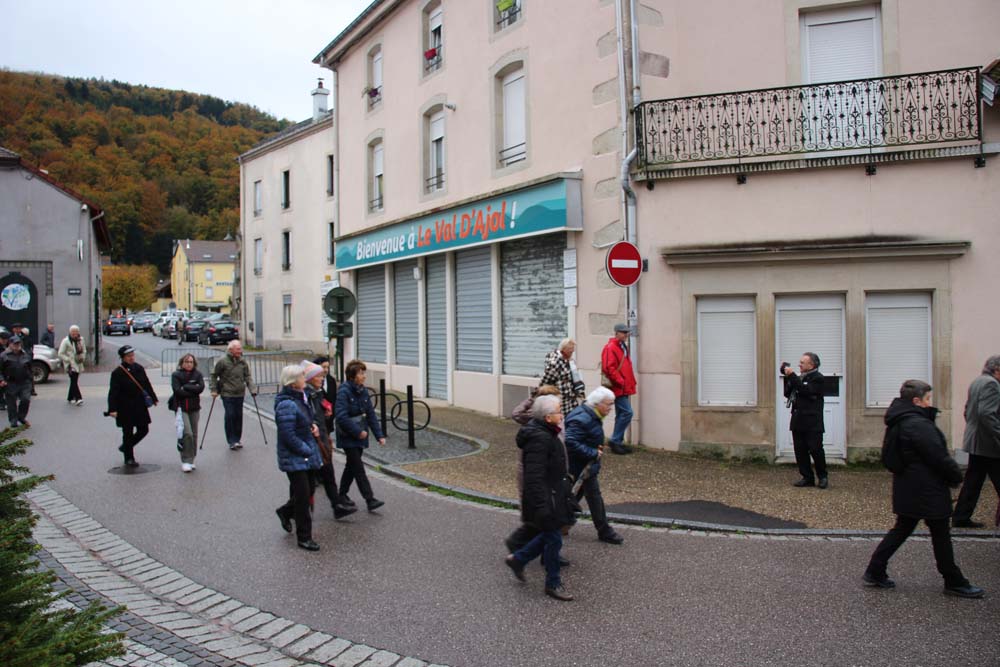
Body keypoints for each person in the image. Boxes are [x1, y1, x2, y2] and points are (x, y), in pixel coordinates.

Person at [863, 380, 985, 598]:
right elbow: (938, 456)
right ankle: (953, 580)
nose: (930, 403)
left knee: (903, 528)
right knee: (939, 534)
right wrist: (955, 475)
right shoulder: (917, 424)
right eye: (928, 399)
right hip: (926, 487)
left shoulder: (902, 420)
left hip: (911, 486)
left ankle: (875, 569)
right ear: (916, 401)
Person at [504, 395, 576, 601]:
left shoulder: (547, 433)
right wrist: (543, 506)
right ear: (547, 417)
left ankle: (518, 559)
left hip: (552, 496)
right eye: (559, 412)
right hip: (546, 499)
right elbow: (534, 477)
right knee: (553, 539)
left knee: (551, 537)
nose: (562, 415)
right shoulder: (541, 439)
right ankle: (553, 583)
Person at [565, 387, 625, 545]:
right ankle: (604, 531)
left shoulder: (591, 415)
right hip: (581, 467)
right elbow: (570, 441)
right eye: (609, 404)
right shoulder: (583, 418)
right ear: (597, 404)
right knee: (592, 497)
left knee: (573, 498)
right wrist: (592, 453)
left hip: (584, 466)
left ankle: (559, 524)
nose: (611, 408)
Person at [273, 365, 323, 551]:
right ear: (293, 382)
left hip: (305, 453)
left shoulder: (302, 397)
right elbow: (287, 434)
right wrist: (305, 449)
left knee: (308, 490)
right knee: (303, 497)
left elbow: (306, 420)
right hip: (295, 455)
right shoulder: (287, 404)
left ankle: (285, 512)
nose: (305, 379)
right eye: (302, 376)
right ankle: (304, 537)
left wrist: (313, 425)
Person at [302, 360, 356, 520]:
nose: (322, 378)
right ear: (310, 378)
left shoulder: (317, 392)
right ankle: (288, 511)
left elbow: (320, 413)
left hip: (322, 440)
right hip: (311, 442)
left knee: (328, 475)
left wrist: (326, 413)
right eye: (319, 376)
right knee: (306, 483)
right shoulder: (305, 395)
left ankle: (337, 506)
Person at [951, 355, 1000, 528]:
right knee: (976, 480)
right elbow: (986, 414)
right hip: (988, 443)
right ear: (996, 370)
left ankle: (961, 516)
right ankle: (961, 517)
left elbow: (968, 411)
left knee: (973, 481)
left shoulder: (977, 382)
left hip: (977, 441)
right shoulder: (992, 384)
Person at [335, 359, 386, 511]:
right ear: (352, 376)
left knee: (351, 466)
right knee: (358, 467)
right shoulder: (344, 391)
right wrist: (357, 432)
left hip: (360, 434)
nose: (364, 376)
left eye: (364, 373)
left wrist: (379, 435)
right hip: (348, 435)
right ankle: (369, 499)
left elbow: (370, 414)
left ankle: (341, 494)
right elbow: (341, 417)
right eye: (361, 373)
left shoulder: (363, 391)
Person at [783, 352, 828, 488]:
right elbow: (787, 393)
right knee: (800, 450)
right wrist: (788, 378)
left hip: (812, 422)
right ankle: (807, 477)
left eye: (802, 362)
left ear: (811, 364)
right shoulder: (799, 378)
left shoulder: (818, 378)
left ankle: (822, 477)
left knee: (816, 450)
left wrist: (792, 376)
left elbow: (806, 390)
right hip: (798, 420)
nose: (799, 365)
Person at [107, 345, 158, 467]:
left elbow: (146, 384)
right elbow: (113, 392)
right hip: (125, 407)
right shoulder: (117, 373)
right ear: (123, 357)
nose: (131, 358)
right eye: (128, 356)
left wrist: (153, 397)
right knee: (127, 432)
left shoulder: (139, 368)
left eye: (132, 355)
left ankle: (125, 447)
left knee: (144, 429)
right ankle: (129, 457)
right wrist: (112, 409)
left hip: (139, 405)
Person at [210, 340, 257, 450]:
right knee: (230, 415)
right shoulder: (223, 361)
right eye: (238, 349)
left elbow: (247, 376)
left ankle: (237, 439)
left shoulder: (242, 362)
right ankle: (231, 440)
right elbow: (214, 375)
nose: (240, 351)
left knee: (238, 416)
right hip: (227, 393)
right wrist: (214, 389)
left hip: (240, 393)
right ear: (231, 350)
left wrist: (252, 389)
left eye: (240, 349)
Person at [601, 323, 636, 455]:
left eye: (627, 332)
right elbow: (608, 368)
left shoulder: (622, 346)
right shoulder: (611, 347)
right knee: (627, 412)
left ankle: (618, 442)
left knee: (621, 413)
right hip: (618, 386)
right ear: (616, 333)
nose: (626, 334)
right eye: (623, 332)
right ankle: (615, 440)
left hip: (623, 386)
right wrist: (621, 381)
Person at [171, 353, 205, 473]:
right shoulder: (176, 375)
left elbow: (200, 388)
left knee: (194, 434)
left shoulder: (198, 374)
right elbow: (178, 391)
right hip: (181, 408)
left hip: (194, 408)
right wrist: (192, 389)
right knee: (187, 433)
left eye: (191, 362)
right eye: (186, 362)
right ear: (182, 363)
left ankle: (192, 459)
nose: (189, 364)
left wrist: (186, 387)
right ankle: (186, 459)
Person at [540, 338, 586, 416]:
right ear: (564, 349)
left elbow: (575, 377)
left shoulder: (569, 360)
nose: (572, 352)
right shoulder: (555, 362)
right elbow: (545, 382)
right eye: (571, 350)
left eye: (573, 350)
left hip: (571, 400)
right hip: (561, 401)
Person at [0, 335, 33, 428]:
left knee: (25, 399)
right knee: (11, 403)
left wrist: (31, 381)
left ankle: (21, 417)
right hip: (11, 382)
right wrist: (1, 380)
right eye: (15, 344)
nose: (17, 345)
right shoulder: (4, 356)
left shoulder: (25, 354)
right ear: (10, 344)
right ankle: (13, 420)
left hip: (24, 381)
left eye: (18, 343)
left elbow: (30, 368)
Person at [58, 325, 87, 406]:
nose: (74, 333)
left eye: (76, 332)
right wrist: (68, 359)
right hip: (70, 365)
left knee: (74, 381)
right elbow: (60, 353)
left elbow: (84, 350)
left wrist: (83, 357)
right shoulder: (66, 341)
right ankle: (78, 398)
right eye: (73, 332)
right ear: (70, 332)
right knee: (74, 380)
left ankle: (70, 397)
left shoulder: (81, 340)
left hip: (78, 362)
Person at [312, 355, 337, 434]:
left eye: (327, 367)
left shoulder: (331, 380)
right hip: (318, 421)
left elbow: (334, 399)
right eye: (323, 367)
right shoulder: (313, 382)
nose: (326, 370)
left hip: (329, 419)